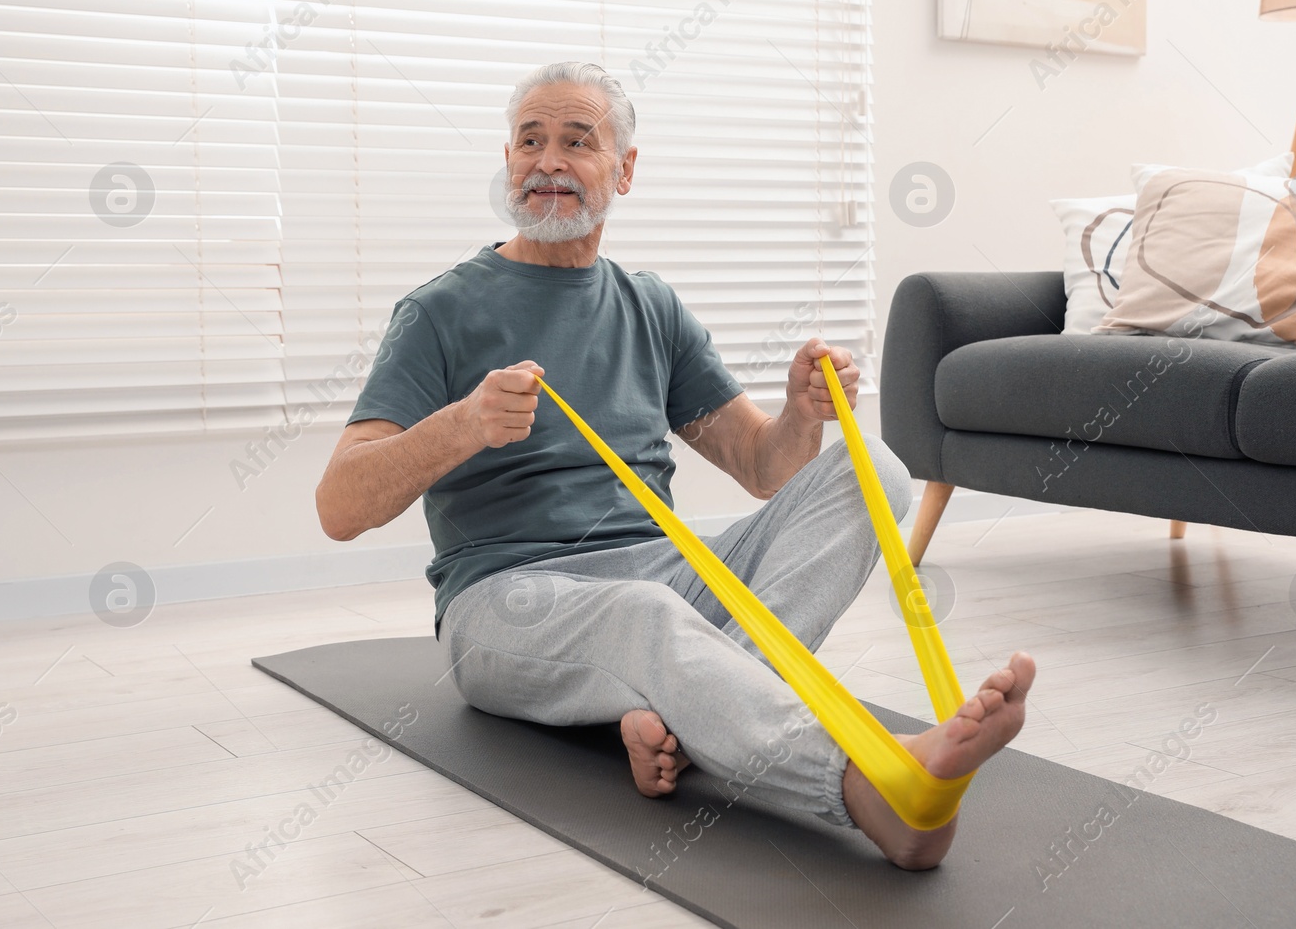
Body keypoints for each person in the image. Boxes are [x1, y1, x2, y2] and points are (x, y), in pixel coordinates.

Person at [314, 61, 1036, 870]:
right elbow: (339, 507)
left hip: (664, 570)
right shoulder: (439, 311)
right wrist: (462, 425)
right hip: (505, 598)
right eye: (529, 141)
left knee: (880, 473)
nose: (547, 161)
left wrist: (800, 414)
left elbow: (763, 468)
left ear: (624, 168)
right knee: (646, 616)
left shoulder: (649, 305)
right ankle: (872, 787)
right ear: (508, 161)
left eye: (576, 141)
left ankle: (693, 717)